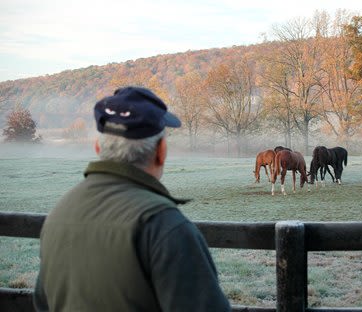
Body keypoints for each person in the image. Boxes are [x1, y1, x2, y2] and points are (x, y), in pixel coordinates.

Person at [33, 86, 231, 311]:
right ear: (161, 151)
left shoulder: (59, 213)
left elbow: (42, 303)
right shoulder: (164, 226)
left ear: (98, 147)